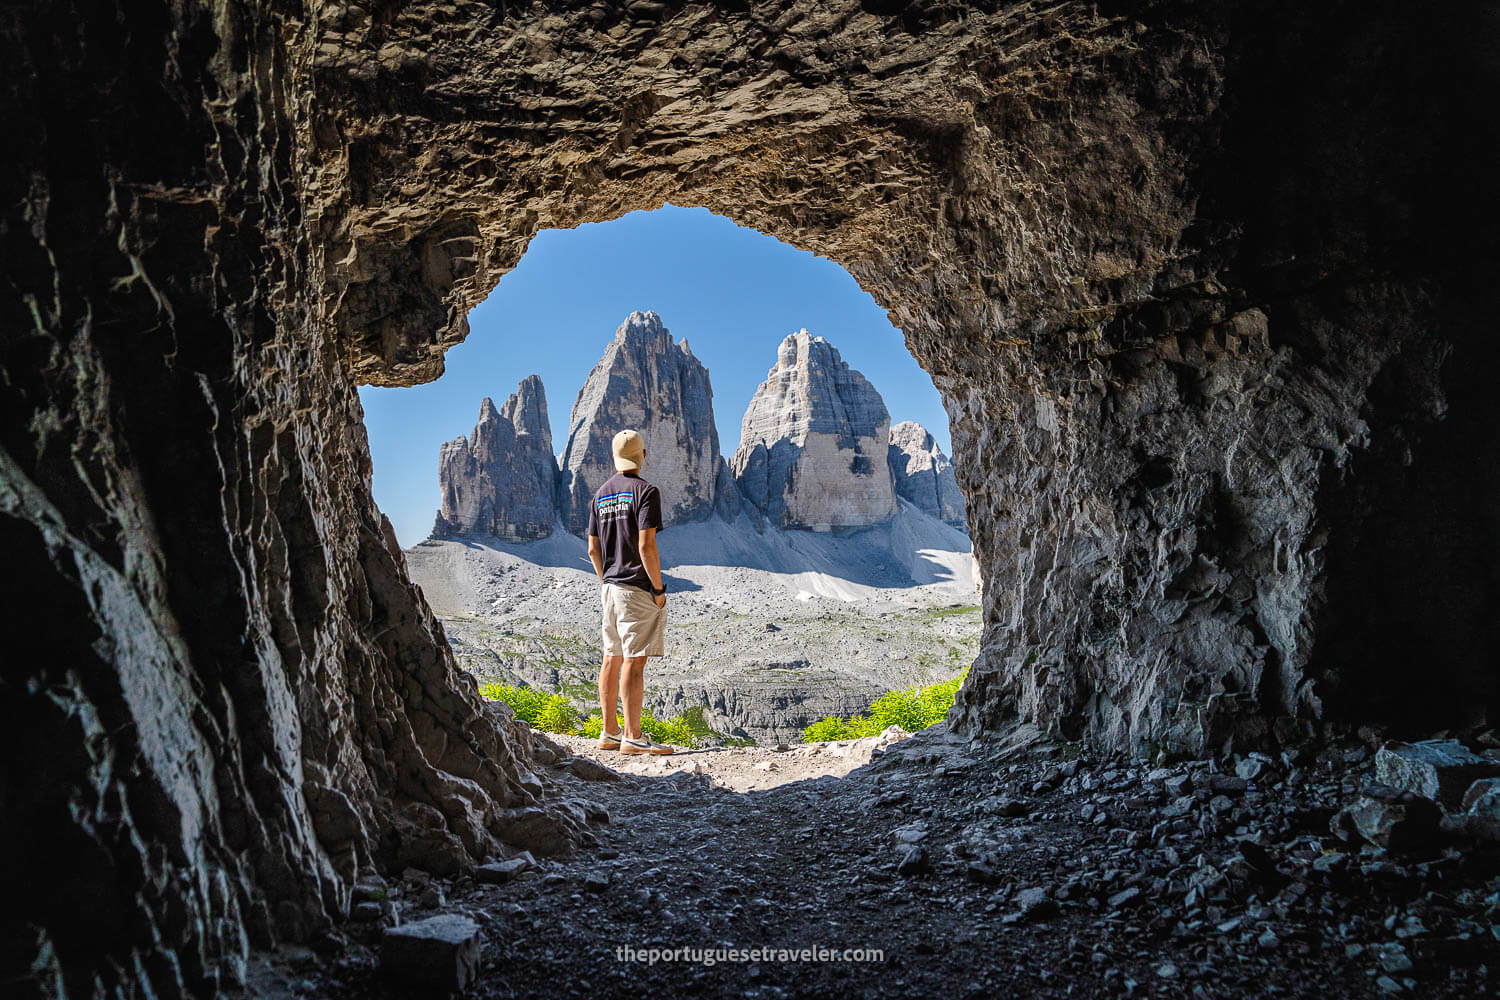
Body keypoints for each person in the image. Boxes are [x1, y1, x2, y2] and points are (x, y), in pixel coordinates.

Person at [587, 429, 675, 755]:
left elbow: (593, 550)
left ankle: (609, 732)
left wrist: (605, 581)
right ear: (643, 455)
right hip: (636, 587)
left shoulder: (600, 494)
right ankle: (633, 737)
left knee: (611, 657)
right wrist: (658, 589)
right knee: (634, 662)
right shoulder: (646, 492)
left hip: (609, 587)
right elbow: (646, 545)